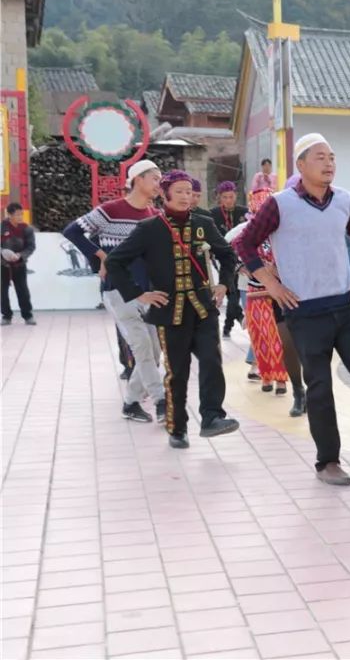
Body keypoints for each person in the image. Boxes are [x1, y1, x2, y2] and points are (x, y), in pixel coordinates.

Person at [235, 133, 350, 484]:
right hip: (305, 310)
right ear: (301, 165)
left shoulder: (344, 200)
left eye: (332, 157)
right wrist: (272, 285)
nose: (329, 163)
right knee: (320, 386)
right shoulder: (279, 204)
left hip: (346, 304)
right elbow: (245, 243)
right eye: (320, 157)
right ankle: (327, 462)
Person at [105, 170, 241, 449]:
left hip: (203, 309)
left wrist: (224, 284)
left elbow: (228, 255)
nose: (185, 197)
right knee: (177, 372)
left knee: (212, 362)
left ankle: (212, 417)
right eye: (178, 191)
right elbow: (114, 262)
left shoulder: (204, 223)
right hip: (170, 312)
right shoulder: (149, 228)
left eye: (189, 192)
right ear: (165, 194)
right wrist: (139, 294)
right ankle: (177, 427)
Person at [63, 160, 166, 422]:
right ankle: (162, 401)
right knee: (142, 347)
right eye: (155, 178)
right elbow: (72, 231)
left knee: (154, 353)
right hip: (117, 289)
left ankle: (131, 403)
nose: (159, 184)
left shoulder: (155, 215)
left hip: (146, 292)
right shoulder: (110, 210)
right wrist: (100, 256)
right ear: (138, 179)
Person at [226, 189, 291, 396]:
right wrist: (241, 266)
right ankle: (266, 376)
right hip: (254, 290)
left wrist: (277, 269)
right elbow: (227, 250)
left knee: (279, 336)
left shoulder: (283, 230)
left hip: (279, 291)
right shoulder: (245, 231)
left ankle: (281, 379)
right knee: (260, 336)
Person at [211, 181, 248, 337]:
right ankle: (237, 319)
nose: (228, 200)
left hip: (242, 259)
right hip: (223, 258)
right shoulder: (213, 214)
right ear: (220, 197)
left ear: (236, 196)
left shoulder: (244, 212)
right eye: (225, 197)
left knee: (235, 292)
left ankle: (228, 324)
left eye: (231, 197)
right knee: (232, 292)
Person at [1, 202, 36, 326]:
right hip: (3, 265)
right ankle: (6, 316)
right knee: (2, 292)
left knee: (23, 291)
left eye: (21, 214)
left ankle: (28, 316)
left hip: (19, 265)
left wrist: (20, 255)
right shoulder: (1, 227)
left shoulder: (27, 229)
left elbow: (31, 247)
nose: (20, 217)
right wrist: (3, 252)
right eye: (17, 215)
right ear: (9, 215)